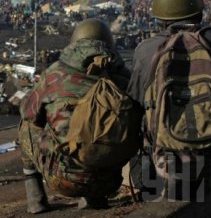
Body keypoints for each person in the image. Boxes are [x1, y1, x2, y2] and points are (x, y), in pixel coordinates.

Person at [126, 0, 211, 200]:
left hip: (164, 162)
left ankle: (149, 193)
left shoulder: (146, 50)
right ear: (199, 10)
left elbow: (136, 104)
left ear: (159, 17)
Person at [18, 18, 133, 213]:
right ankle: (93, 200)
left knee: (25, 126)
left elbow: (28, 112)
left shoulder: (55, 74)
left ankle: (36, 201)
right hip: (110, 181)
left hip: (62, 178)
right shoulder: (123, 77)